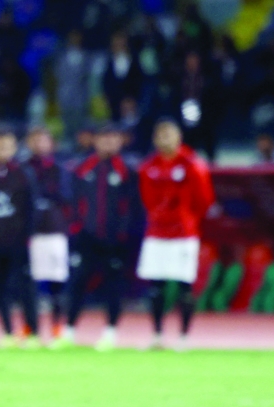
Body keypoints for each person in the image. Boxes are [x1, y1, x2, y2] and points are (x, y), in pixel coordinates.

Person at [136, 120, 215, 350]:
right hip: (157, 233)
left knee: (184, 286)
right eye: (161, 136)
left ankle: (184, 336)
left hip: (183, 235)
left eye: (169, 135)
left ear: (179, 138)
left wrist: (186, 219)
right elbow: (147, 199)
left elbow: (204, 200)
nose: (165, 140)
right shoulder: (148, 166)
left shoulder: (192, 164)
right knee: (156, 286)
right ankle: (157, 335)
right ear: (154, 139)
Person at [64, 124, 139, 351]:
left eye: (113, 138)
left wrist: (125, 235)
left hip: (115, 240)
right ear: (95, 141)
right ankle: (69, 330)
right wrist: (76, 229)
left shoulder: (127, 170)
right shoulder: (83, 167)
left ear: (120, 141)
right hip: (86, 238)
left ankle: (111, 332)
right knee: (78, 282)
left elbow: (134, 207)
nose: (108, 143)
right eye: (104, 138)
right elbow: (74, 202)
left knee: (113, 285)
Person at [0, 128, 38, 348]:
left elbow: (30, 209)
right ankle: (9, 332)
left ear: (14, 148)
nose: (2, 150)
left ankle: (32, 331)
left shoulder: (23, 174)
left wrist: (28, 238)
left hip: (17, 243)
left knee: (23, 287)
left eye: (7, 146)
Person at [24, 126, 72, 345]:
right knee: (29, 283)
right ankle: (30, 329)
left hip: (54, 232)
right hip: (29, 234)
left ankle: (56, 328)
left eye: (43, 140)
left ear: (51, 144)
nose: (39, 144)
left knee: (57, 282)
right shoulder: (23, 168)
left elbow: (67, 198)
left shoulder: (59, 169)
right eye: (35, 140)